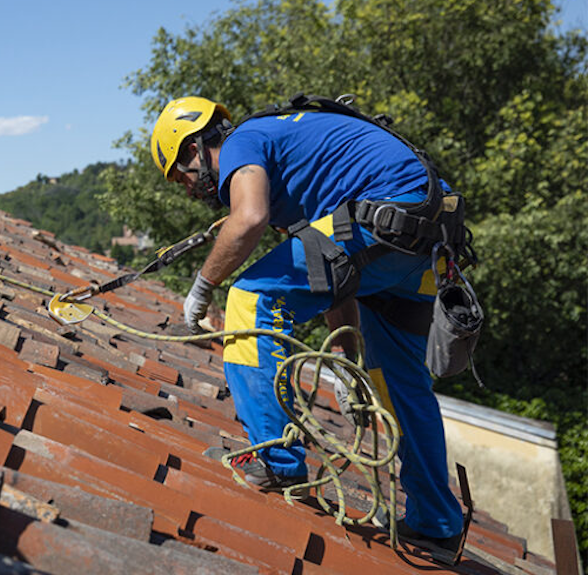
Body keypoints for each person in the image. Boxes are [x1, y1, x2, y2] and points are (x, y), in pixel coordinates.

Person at [149, 96, 464, 562]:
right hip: (427, 237)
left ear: (196, 145)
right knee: (399, 382)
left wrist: (202, 287)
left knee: (251, 299)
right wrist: (344, 357)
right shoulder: (292, 157)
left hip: (382, 220)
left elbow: (248, 218)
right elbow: (339, 275)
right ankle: (437, 524)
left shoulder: (243, 142)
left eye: (182, 173)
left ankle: (276, 462)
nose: (189, 188)